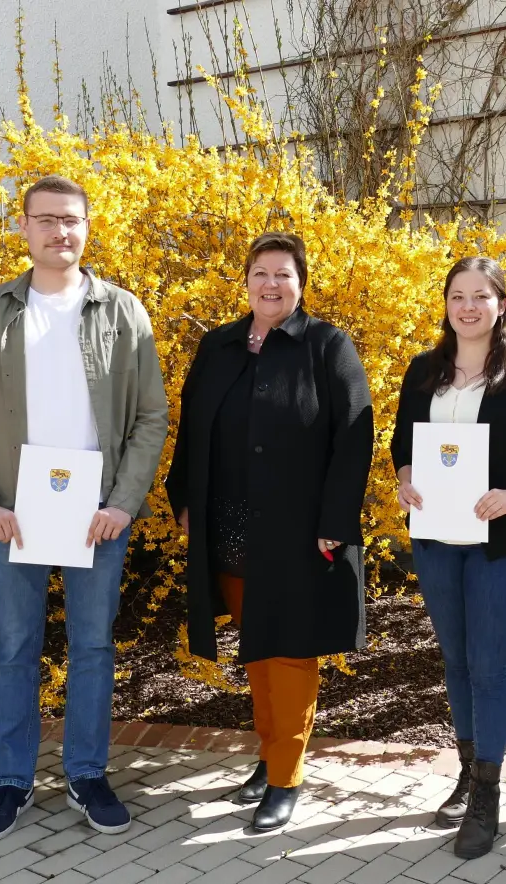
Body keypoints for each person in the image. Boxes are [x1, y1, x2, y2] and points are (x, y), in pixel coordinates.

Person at [0, 175, 169, 841]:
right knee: (14, 645)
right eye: (45, 220)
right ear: (24, 228)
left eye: (70, 220)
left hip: (97, 512)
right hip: (14, 512)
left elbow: (151, 416)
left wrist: (124, 503)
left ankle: (87, 773)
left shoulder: (123, 311)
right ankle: (11, 780)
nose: (58, 232)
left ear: (87, 228)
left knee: (93, 645)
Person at [166, 231, 373, 832]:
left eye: (283, 274)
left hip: (298, 530)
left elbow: (355, 436)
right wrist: (184, 498)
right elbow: (192, 425)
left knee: (287, 652)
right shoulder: (219, 345)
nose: (271, 284)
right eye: (261, 272)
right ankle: (270, 754)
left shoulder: (327, 345)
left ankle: (287, 775)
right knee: (256, 649)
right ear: (247, 280)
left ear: (301, 283)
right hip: (227, 523)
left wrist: (337, 521)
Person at [389, 257, 506, 858]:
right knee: (456, 659)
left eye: (480, 296)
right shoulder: (424, 371)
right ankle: (468, 772)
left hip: (501, 541)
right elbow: (402, 442)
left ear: (501, 305)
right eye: (457, 296)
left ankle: (488, 795)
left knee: (490, 665)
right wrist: (406, 477)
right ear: (445, 303)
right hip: (436, 536)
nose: (467, 307)